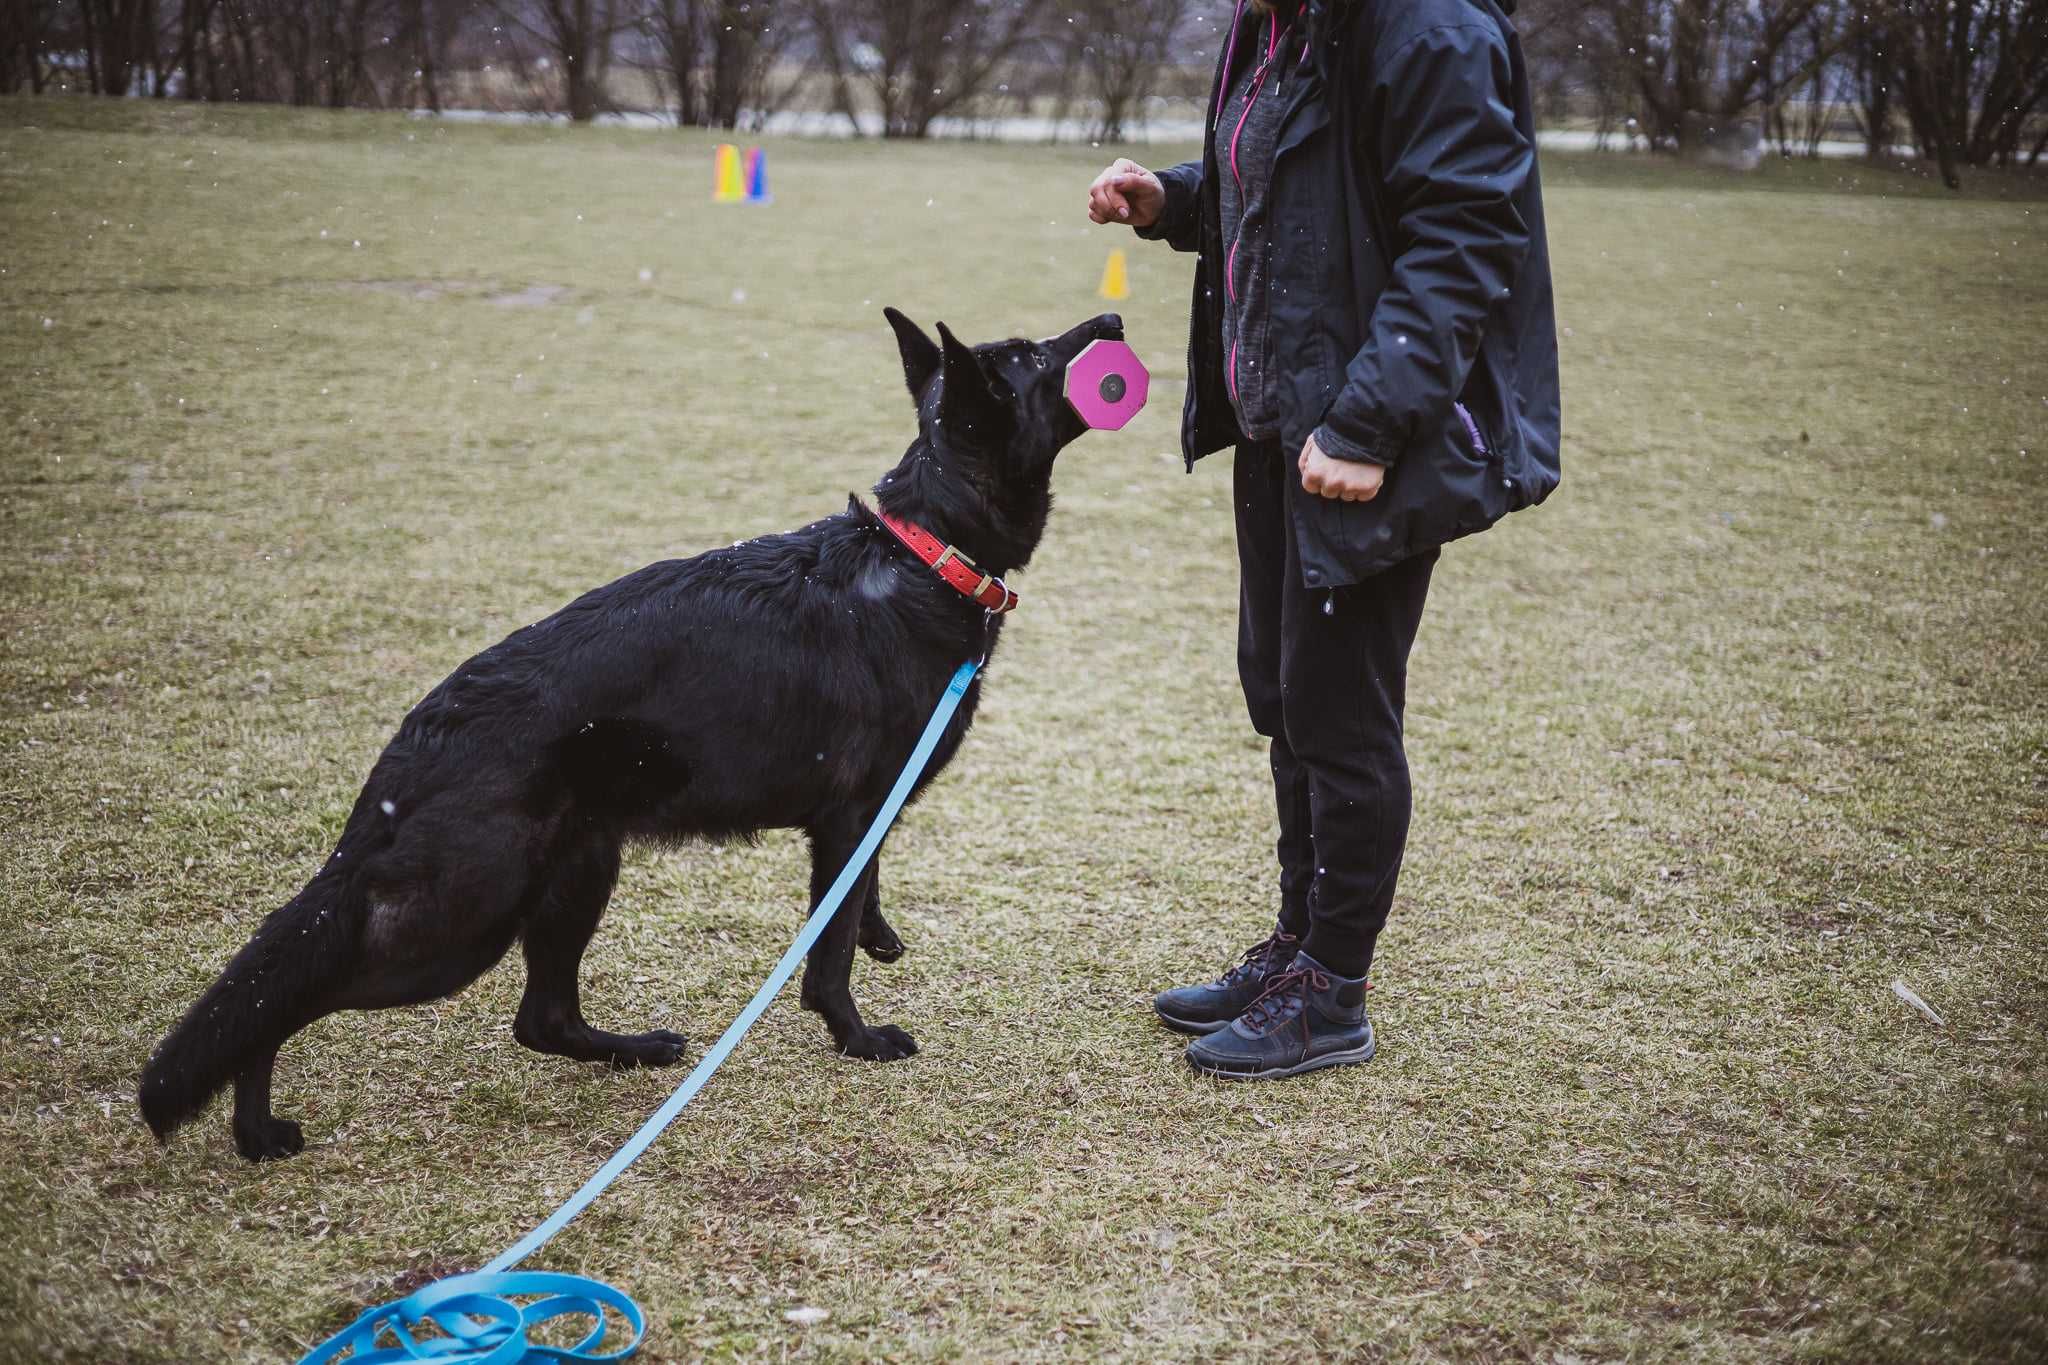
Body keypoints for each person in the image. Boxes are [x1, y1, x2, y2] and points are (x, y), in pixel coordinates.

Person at [1088, 0, 1559, 1079]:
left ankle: (1332, 994)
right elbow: (1287, 204)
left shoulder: (1428, 31)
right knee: (1287, 693)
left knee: (1342, 711)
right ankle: (1296, 947)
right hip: (1283, 422)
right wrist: (1172, 198)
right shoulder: (1279, 21)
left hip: (1364, 432)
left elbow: (1465, 236)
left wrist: (1366, 422)